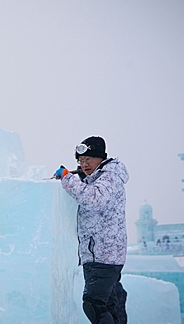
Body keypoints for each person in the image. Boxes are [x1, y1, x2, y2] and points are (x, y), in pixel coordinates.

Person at [54, 136, 129, 324]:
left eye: (89, 159)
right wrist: (79, 179)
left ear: (101, 158)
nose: (84, 164)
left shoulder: (110, 176)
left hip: (103, 255)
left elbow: (94, 199)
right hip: (101, 255)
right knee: (111, 305)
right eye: (80, 161)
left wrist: (68, 179)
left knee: (94, 305)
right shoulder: (98, 178)